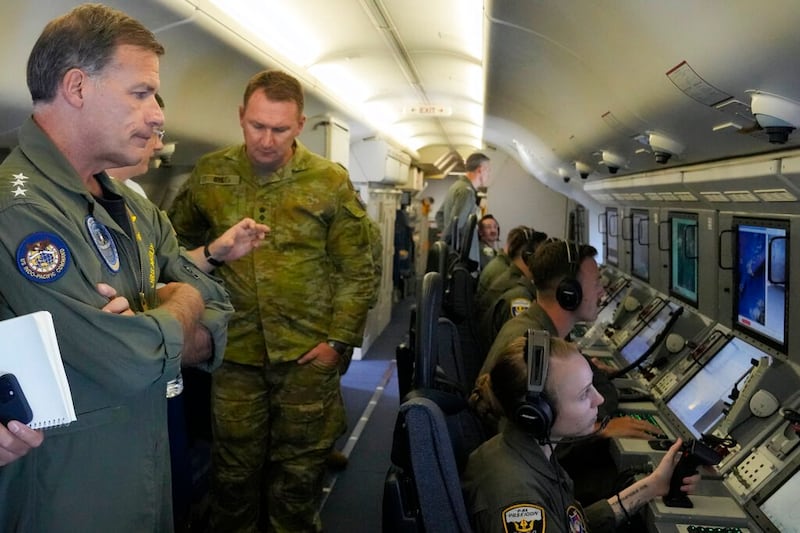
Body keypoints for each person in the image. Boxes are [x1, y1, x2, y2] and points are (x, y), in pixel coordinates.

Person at [0, 5, 233, 532]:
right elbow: (131, 360)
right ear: (78, 87)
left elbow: (220, 315)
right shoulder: (23, 211)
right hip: (70, 495)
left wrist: (164, 318)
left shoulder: (134, 208)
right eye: (141, 93)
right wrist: (182, 304)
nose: (158, 115)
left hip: (144, 472)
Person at [168, 69, 376, 533]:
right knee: (233, 475)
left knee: (298, 475)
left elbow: (357, 269)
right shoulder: (210, 174)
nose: (267, 139)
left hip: (307, 357)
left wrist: (337, 345)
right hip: (233, 356)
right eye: (256, 125)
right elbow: (172, 250)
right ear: (241, 116)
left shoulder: (328, 182)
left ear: (300, 125)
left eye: (280, 129)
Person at [471, 239, 662, 505]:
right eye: (596, 283)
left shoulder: (543, 339)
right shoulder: (532, 348)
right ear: (568, 292)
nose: (603, 291)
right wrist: (598, 430)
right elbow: (524, 431)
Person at [463, 334, 700, 533]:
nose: (599, 399)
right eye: (584, 393)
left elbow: (569, 524)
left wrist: (652, 486)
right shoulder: (520, 501)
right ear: (538, 413)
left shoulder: (526, 450)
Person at [476, 227, 547, 354]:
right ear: (528, 256)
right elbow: (518, 350)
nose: (544, 263)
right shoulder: (519, 295)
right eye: (541, 256)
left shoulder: (511, 276)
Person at [434, 152, 491, 258]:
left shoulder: (456, 186)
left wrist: (445, 231)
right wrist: (445, 243)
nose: (489, 174)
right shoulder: (466, 192)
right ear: (480, 170)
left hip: (455, 255)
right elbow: (456, 227)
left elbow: (439, 215)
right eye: (488, 170)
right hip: (462, 258)